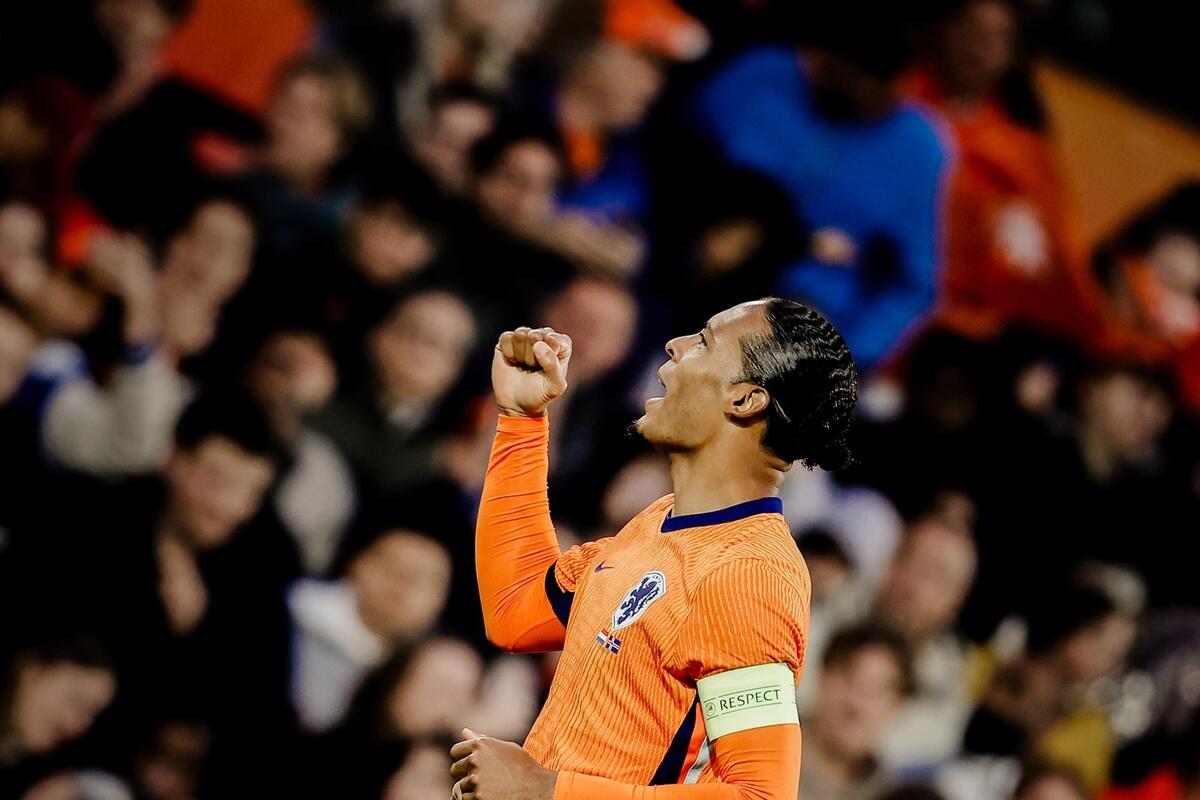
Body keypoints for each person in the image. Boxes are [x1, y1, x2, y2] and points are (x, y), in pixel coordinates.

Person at [452, 297, 858, 798]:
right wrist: (521, 420)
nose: (674, 345)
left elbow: (759, 794)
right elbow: (517, 609)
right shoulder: (660, 522)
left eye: (704, 341)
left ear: (745, 400)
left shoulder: (750, 574)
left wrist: (546, 789)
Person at [690, 2, 950, 368]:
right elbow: (666, 159)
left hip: (803, 323)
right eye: (860, 67)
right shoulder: (760, 75)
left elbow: (913, 285)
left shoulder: (919, 146)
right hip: (698, 271)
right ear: (830, 53)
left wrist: (844, 353)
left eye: (885, 75)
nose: (869, 89)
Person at [799, 623, 913, 800]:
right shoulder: (764, 755)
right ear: (823, 675)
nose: (857, 704)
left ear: (897, 705)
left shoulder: (889, 792)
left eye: (875, 689)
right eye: (849, 678)